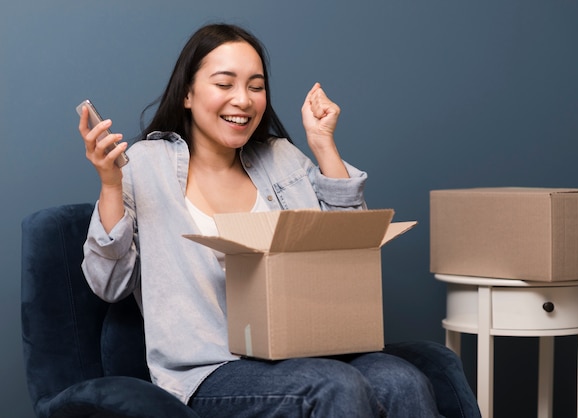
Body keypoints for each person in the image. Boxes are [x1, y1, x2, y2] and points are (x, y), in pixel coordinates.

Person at [79, 23, 479, 418]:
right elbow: (110, 285)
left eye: (255, 86)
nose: (243, 100)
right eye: (224, 84)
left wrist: (323, 145)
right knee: (331, 385)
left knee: (402, 380)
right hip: (212, 369)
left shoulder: (282, 158)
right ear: (187, 93)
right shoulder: (144, 167)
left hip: (307, 351)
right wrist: (111, 185)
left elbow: (349, 246)